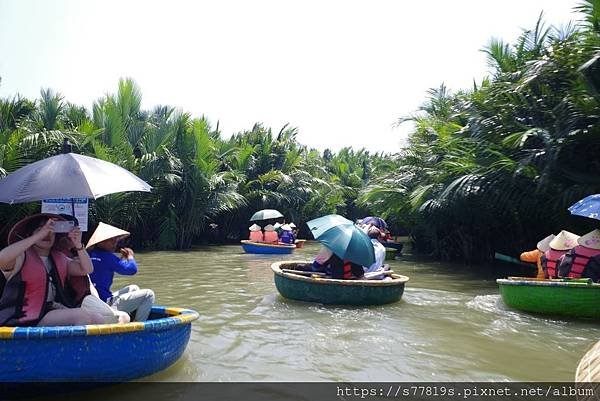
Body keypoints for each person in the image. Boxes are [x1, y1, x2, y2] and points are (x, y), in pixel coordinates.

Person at [0, 214, 105, 327]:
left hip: (48, 311)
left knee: (97, 318)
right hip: (21, 316)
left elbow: (87, 269)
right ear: (29, 235)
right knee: (83, 316)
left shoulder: (60, 258)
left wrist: (78, 245)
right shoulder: (21, 257)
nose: (47, 234)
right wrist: (38, 236)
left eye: (51, 232)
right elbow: (2, 259)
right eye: (41, 230)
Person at [87, 222, 155, 321]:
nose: (115, 244)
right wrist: (130, 257)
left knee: (133, 288)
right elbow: (132, 270)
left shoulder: (88, 255)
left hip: (93, 302)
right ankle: (138, 326)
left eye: (115, 241)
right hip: (105, 304)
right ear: (101, 242)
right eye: (111, 241)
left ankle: (125, 319)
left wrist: (122, 259)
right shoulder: (108, 257)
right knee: (149, 294)